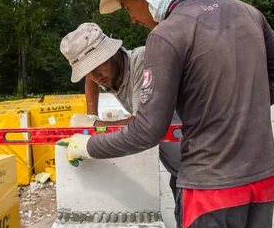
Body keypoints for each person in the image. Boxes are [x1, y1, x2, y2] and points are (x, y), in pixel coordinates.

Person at [59, 0, 274, 228]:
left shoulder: (166, 35)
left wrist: (89, 146)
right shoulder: (245, 11)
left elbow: (147, 131)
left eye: (128, 8)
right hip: (262, 177)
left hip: (210, 184)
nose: (133, 19)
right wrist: (237, 108)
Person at [59, 22, 182, 198]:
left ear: (112, 52)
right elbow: (91, 80)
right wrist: (91, 114)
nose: (95, 77)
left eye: (96, 67)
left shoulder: (144, 61)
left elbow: (142, 124)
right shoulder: (111, 74)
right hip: (179, 171)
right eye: (88, 72)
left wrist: (94, 125)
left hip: (204, 170)